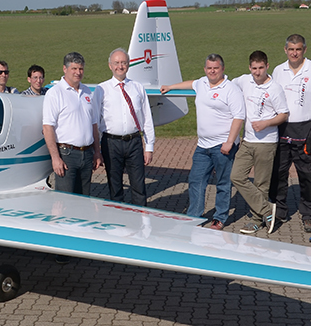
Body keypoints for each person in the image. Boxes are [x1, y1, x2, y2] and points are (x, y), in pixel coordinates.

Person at [161, 54, 244, 228]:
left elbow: (239, 117)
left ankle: (220, 217)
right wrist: (170, 87)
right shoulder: (202, 83)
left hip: (223, 145)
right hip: (203, 145)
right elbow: (191, 83)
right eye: (209, 68)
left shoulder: (231, 89)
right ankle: (194, 216)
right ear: (205, 69)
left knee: (223, 183)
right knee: (196, 180)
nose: (212, 71)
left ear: (222, 69)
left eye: (216, 68)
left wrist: (230, 142)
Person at [269, 34, 311, 233]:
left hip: (307, 128)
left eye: (298, 49)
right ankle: (279, 211)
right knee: (279, 173)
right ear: (285, 50)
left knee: (307, 175)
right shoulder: (278, 70)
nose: (294, 53)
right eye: (291, 49)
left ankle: (309, 214)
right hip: (283, 128)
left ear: (304, 50)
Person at [230, 51, 289, 234]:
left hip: (267, 143)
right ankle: (267, 209)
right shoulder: (243, 80)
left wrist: (266, 123)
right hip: (247, 141)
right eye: (254, 68)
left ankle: (256, 220)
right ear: (249, 67)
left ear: (267, 66)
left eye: (261, 68)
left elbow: (284, 114)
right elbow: (226, 85)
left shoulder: (275, 88)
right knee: (236, 176)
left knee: (261, 183)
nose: (257, 72)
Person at [95, 48, 155, 206]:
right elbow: (95, 120)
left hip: (134, 142)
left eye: (123, 63)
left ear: (128, 65)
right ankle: (118, 218)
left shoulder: (137, 87)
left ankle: (141, 217)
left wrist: (149, 146)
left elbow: (147, 118)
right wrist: (97, 149)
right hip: (111, 143)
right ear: (110, 65)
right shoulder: (101, 89)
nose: (120, 66)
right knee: (115, 188)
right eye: (116, 63)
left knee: (139, 187)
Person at [42, 52, 102, 195]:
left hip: (87, 154)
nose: (78, 72)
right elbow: (48, 127)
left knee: (84, 197)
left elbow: (93, 124)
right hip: (67, 154)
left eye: (81, 69)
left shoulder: (87, 92)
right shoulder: (55, 93)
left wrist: (97, 152)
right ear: (65, 69)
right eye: (74, 68)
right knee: (66, 199)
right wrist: (55, 158)